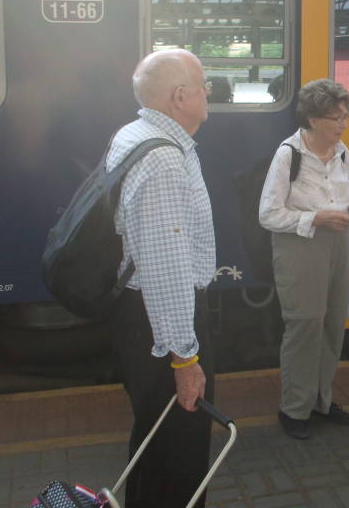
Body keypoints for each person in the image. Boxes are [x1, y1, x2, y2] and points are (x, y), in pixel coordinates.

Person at [107, 48, 215, 507]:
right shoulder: (164, 161)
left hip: (140, 315)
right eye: (204, 84)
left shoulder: (135, 133)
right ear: (179, 96)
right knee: (178, 445)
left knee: (153, 439)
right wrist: (184, 360)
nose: (209, 91)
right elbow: (166, 269)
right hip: (162, 325)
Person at [259, 78, 349, 440]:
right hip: (299, 247)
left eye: (346, 115)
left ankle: (322, 401)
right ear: (312, 119)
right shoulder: (288, 154)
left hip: (338, 243)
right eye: (336, 117)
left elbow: (342, 195)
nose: (344, 123)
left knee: (331, 324)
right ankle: (293, 409)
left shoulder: (343, 152)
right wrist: (316, 218)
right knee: (305, 325)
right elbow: (268, 214)